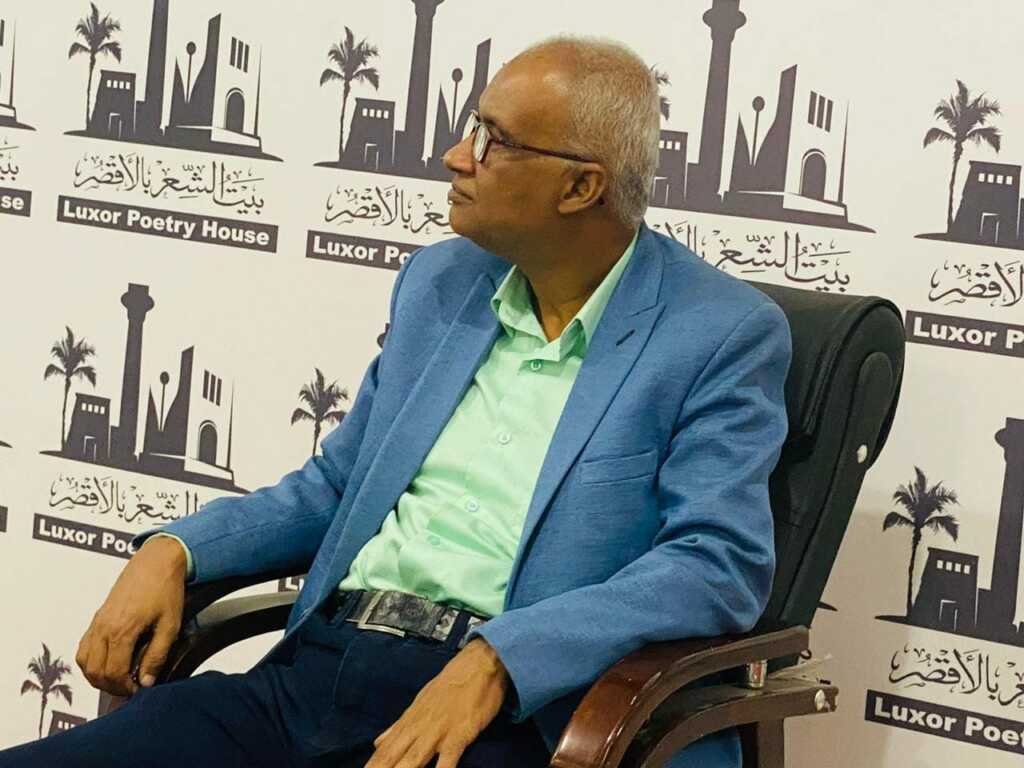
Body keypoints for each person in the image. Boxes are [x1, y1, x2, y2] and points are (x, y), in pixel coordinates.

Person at [0, 35, 791, 768]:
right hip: (319, 676)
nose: (456, 156)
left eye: (494, 140)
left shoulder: (717, 332)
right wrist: (177, 549)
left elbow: (714, 564)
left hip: (512, 714)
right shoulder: (442, 282)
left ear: (581, 186)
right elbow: (339, 485)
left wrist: (503, 658)